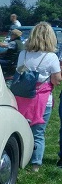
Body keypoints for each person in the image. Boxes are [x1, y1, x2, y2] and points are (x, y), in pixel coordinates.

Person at [14, 22, 62, 171]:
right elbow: (57, 79)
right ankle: (35, 164)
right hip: (41, 100)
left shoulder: (23, 54)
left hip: (22, 97)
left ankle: (20, 158)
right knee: (38, 133)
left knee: (21, 129)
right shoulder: (51, 57)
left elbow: (19, 71)